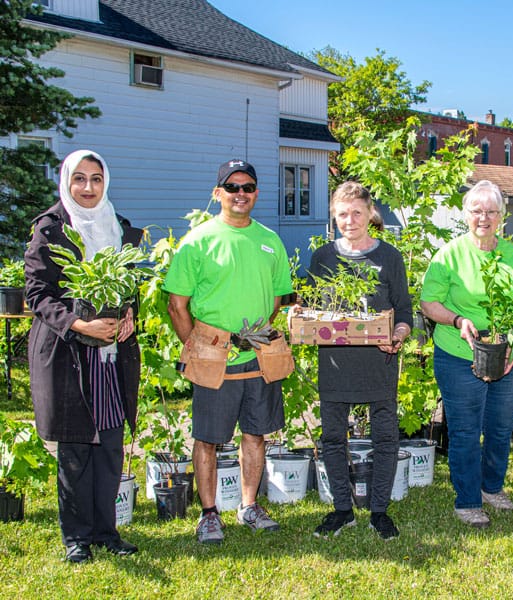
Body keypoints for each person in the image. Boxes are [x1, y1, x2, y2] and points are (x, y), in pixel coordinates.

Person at [164, 159, 293, 544]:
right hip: (212, 355)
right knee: (207, 438)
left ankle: (249, 505)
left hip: (258, 354)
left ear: (256, 192)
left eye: (248, 187)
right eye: (232, 187)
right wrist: (198, 345)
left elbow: (276, 300)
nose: (241, 194)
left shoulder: (270, 240)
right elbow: (177, 305)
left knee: (256, 434)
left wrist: (252, 332)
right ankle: (208, 514)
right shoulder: (198, 241)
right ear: (218, 193)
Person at [26, 150, 141, 563]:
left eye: (95, 179)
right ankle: (76, 537)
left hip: (111, 356)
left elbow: (130, 286)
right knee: (76, 448)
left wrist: (129, 314)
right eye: (79, 179)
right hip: (68, 356)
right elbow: (36, 294)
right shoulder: (51, 229)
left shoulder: (119, 227)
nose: (88, 188)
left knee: (109, 446)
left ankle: (106, 532)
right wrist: (79, 323)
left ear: (105, 182)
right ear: (66, 182)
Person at [420, 180, 513, 528]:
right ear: (465, 214)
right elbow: (428, 303)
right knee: (466, 430)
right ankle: (467, 500)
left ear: (501, 216)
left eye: (491, 211)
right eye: (476, 210)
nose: (483, 217)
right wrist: (458, 320)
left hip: (505, 354)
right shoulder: (450, 254)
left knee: (500, 428)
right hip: (457, 353)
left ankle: (491, 487)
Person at [304, 182, 412, 540]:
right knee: (333, 438)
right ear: (334, 217)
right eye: (342, 214)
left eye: (356, 213)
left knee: (385, 437)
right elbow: (314, 310)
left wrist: (397, 336)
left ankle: (379, 511)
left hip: (378, 363)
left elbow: (405, 312)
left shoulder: (389, 258)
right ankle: (341, 509)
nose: (349, 220)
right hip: (336, 363)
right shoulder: (323, 258)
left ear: (370, 214)